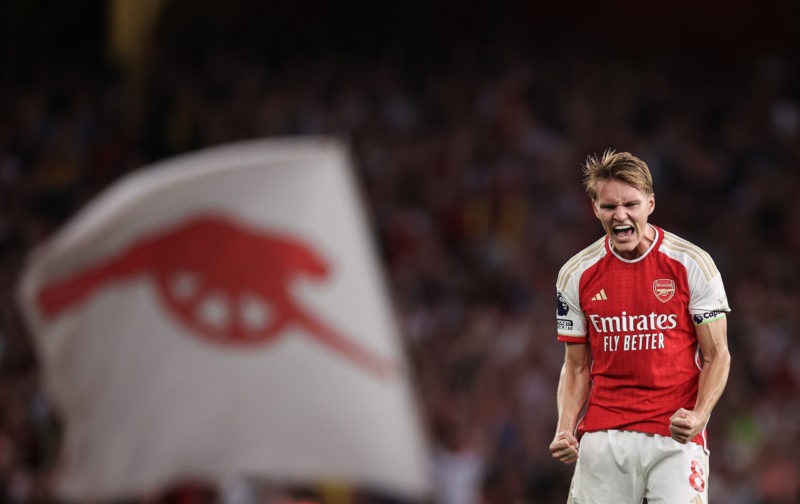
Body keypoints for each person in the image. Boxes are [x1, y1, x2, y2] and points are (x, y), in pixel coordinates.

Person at [549, 150, 731, 503]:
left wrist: (699, 415)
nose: (620, 215)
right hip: (604, 436)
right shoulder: (575, 274)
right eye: (609, 206)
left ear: (650, 203)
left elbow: (717, 355)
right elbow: (575, 365)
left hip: (674, 437)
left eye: (631, 204)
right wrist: (564, 429)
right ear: (595, 209)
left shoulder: (692, 264)